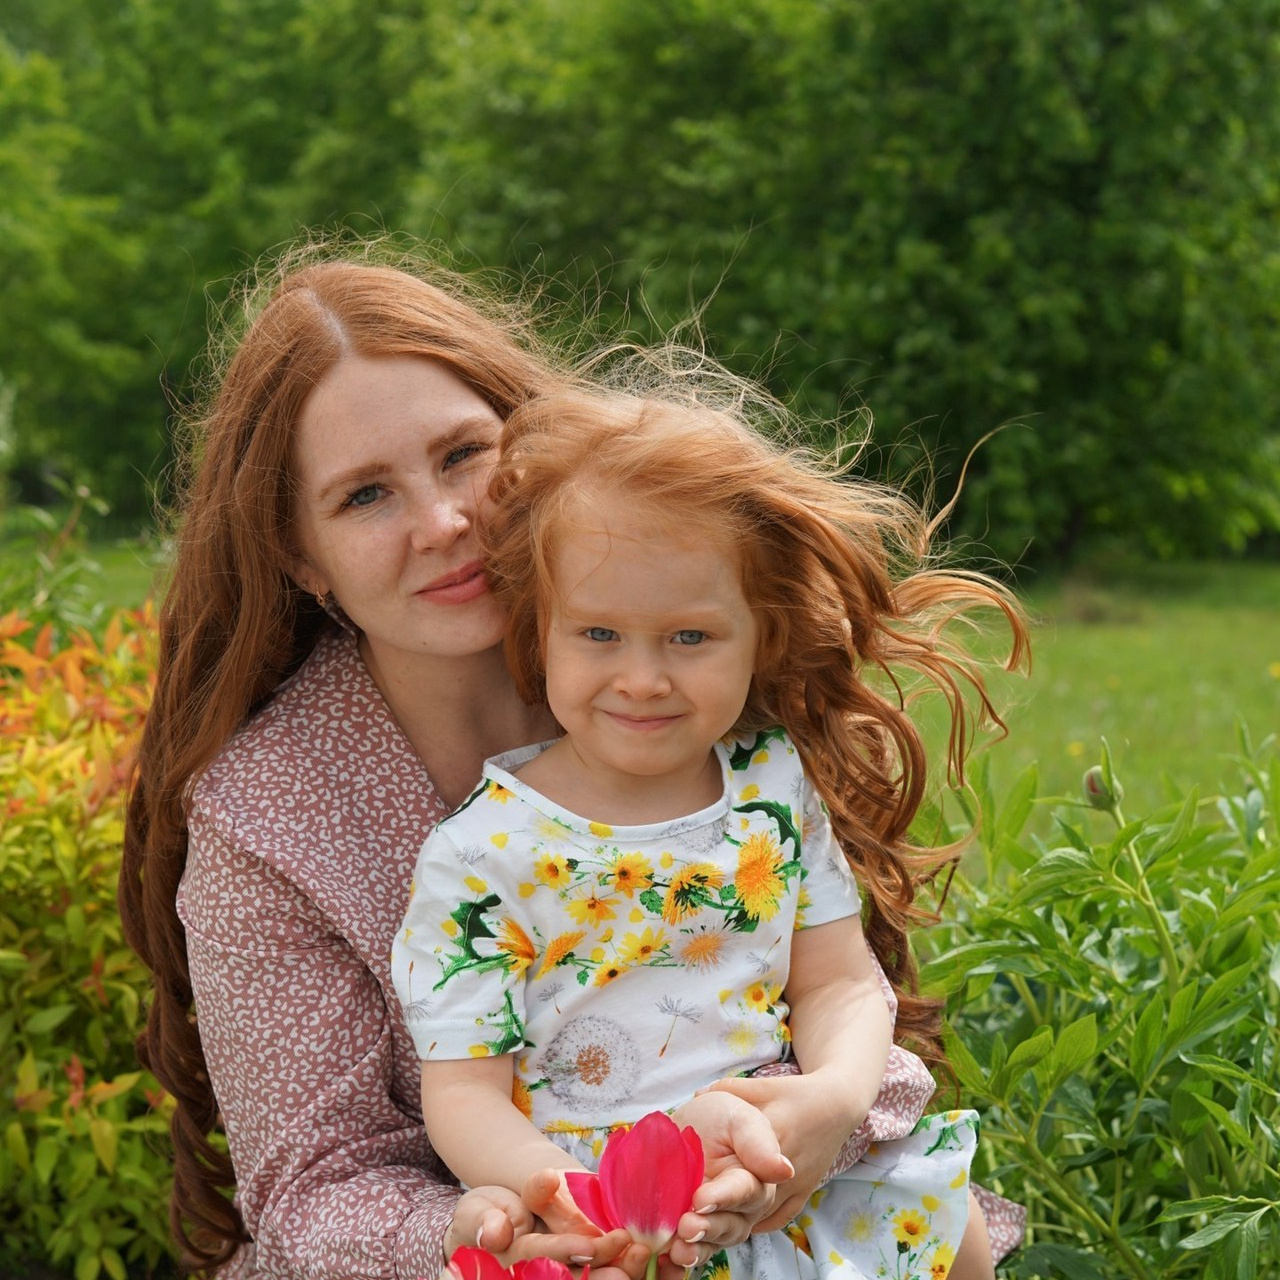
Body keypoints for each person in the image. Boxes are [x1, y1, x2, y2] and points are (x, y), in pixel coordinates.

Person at [119, 245, 967, 1280]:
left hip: (763, 1208)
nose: (443, 522)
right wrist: (504, 1231)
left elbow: (830, 988)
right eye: (365, 496)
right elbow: (313, 1188)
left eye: (462, 455)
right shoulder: (270, 815)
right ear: (300, 555)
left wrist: (818, 1118)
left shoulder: (673, 670)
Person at [391, 383, 1031, 1279]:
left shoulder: (770, 784)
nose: (642, 678)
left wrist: (836, 1097)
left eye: (690, 637)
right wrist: (570, 1198)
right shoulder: (482, 854)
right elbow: (462, 1092)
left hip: (779, 1160)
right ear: (540, 631)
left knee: (955, 1234)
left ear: (760, 636)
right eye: (600, 633)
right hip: (607, 1207)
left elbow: (840, 981)